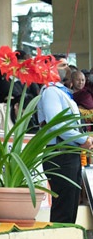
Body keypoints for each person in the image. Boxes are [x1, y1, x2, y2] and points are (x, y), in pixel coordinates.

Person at [39, 79, 93, 223]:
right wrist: (83, 140)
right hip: (60, 154)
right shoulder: (51, 91)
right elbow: (56, 124)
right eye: (62, 64)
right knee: (63, 208)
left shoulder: (64, 92)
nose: (66, 67)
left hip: (70, 152)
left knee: (70, 206)